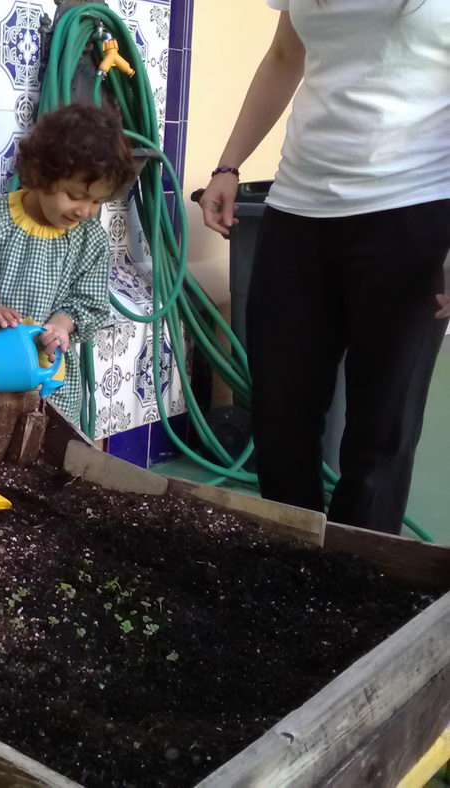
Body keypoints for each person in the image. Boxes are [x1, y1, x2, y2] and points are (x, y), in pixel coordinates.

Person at [197, 0, 450, 534]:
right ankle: (294, 563)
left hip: (413, 208)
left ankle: (361, 577)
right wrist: (229, 164)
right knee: (279, 414)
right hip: (298, 207)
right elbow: (285, 54)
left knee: (381, 430)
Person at [0, 103, 133, 426]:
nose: (84, 210)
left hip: (48, 380)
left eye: (96, 201)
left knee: (43, 449)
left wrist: (60, 326)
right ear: (42, 174)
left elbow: (88, 303)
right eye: (73, 195)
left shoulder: (90, 239)